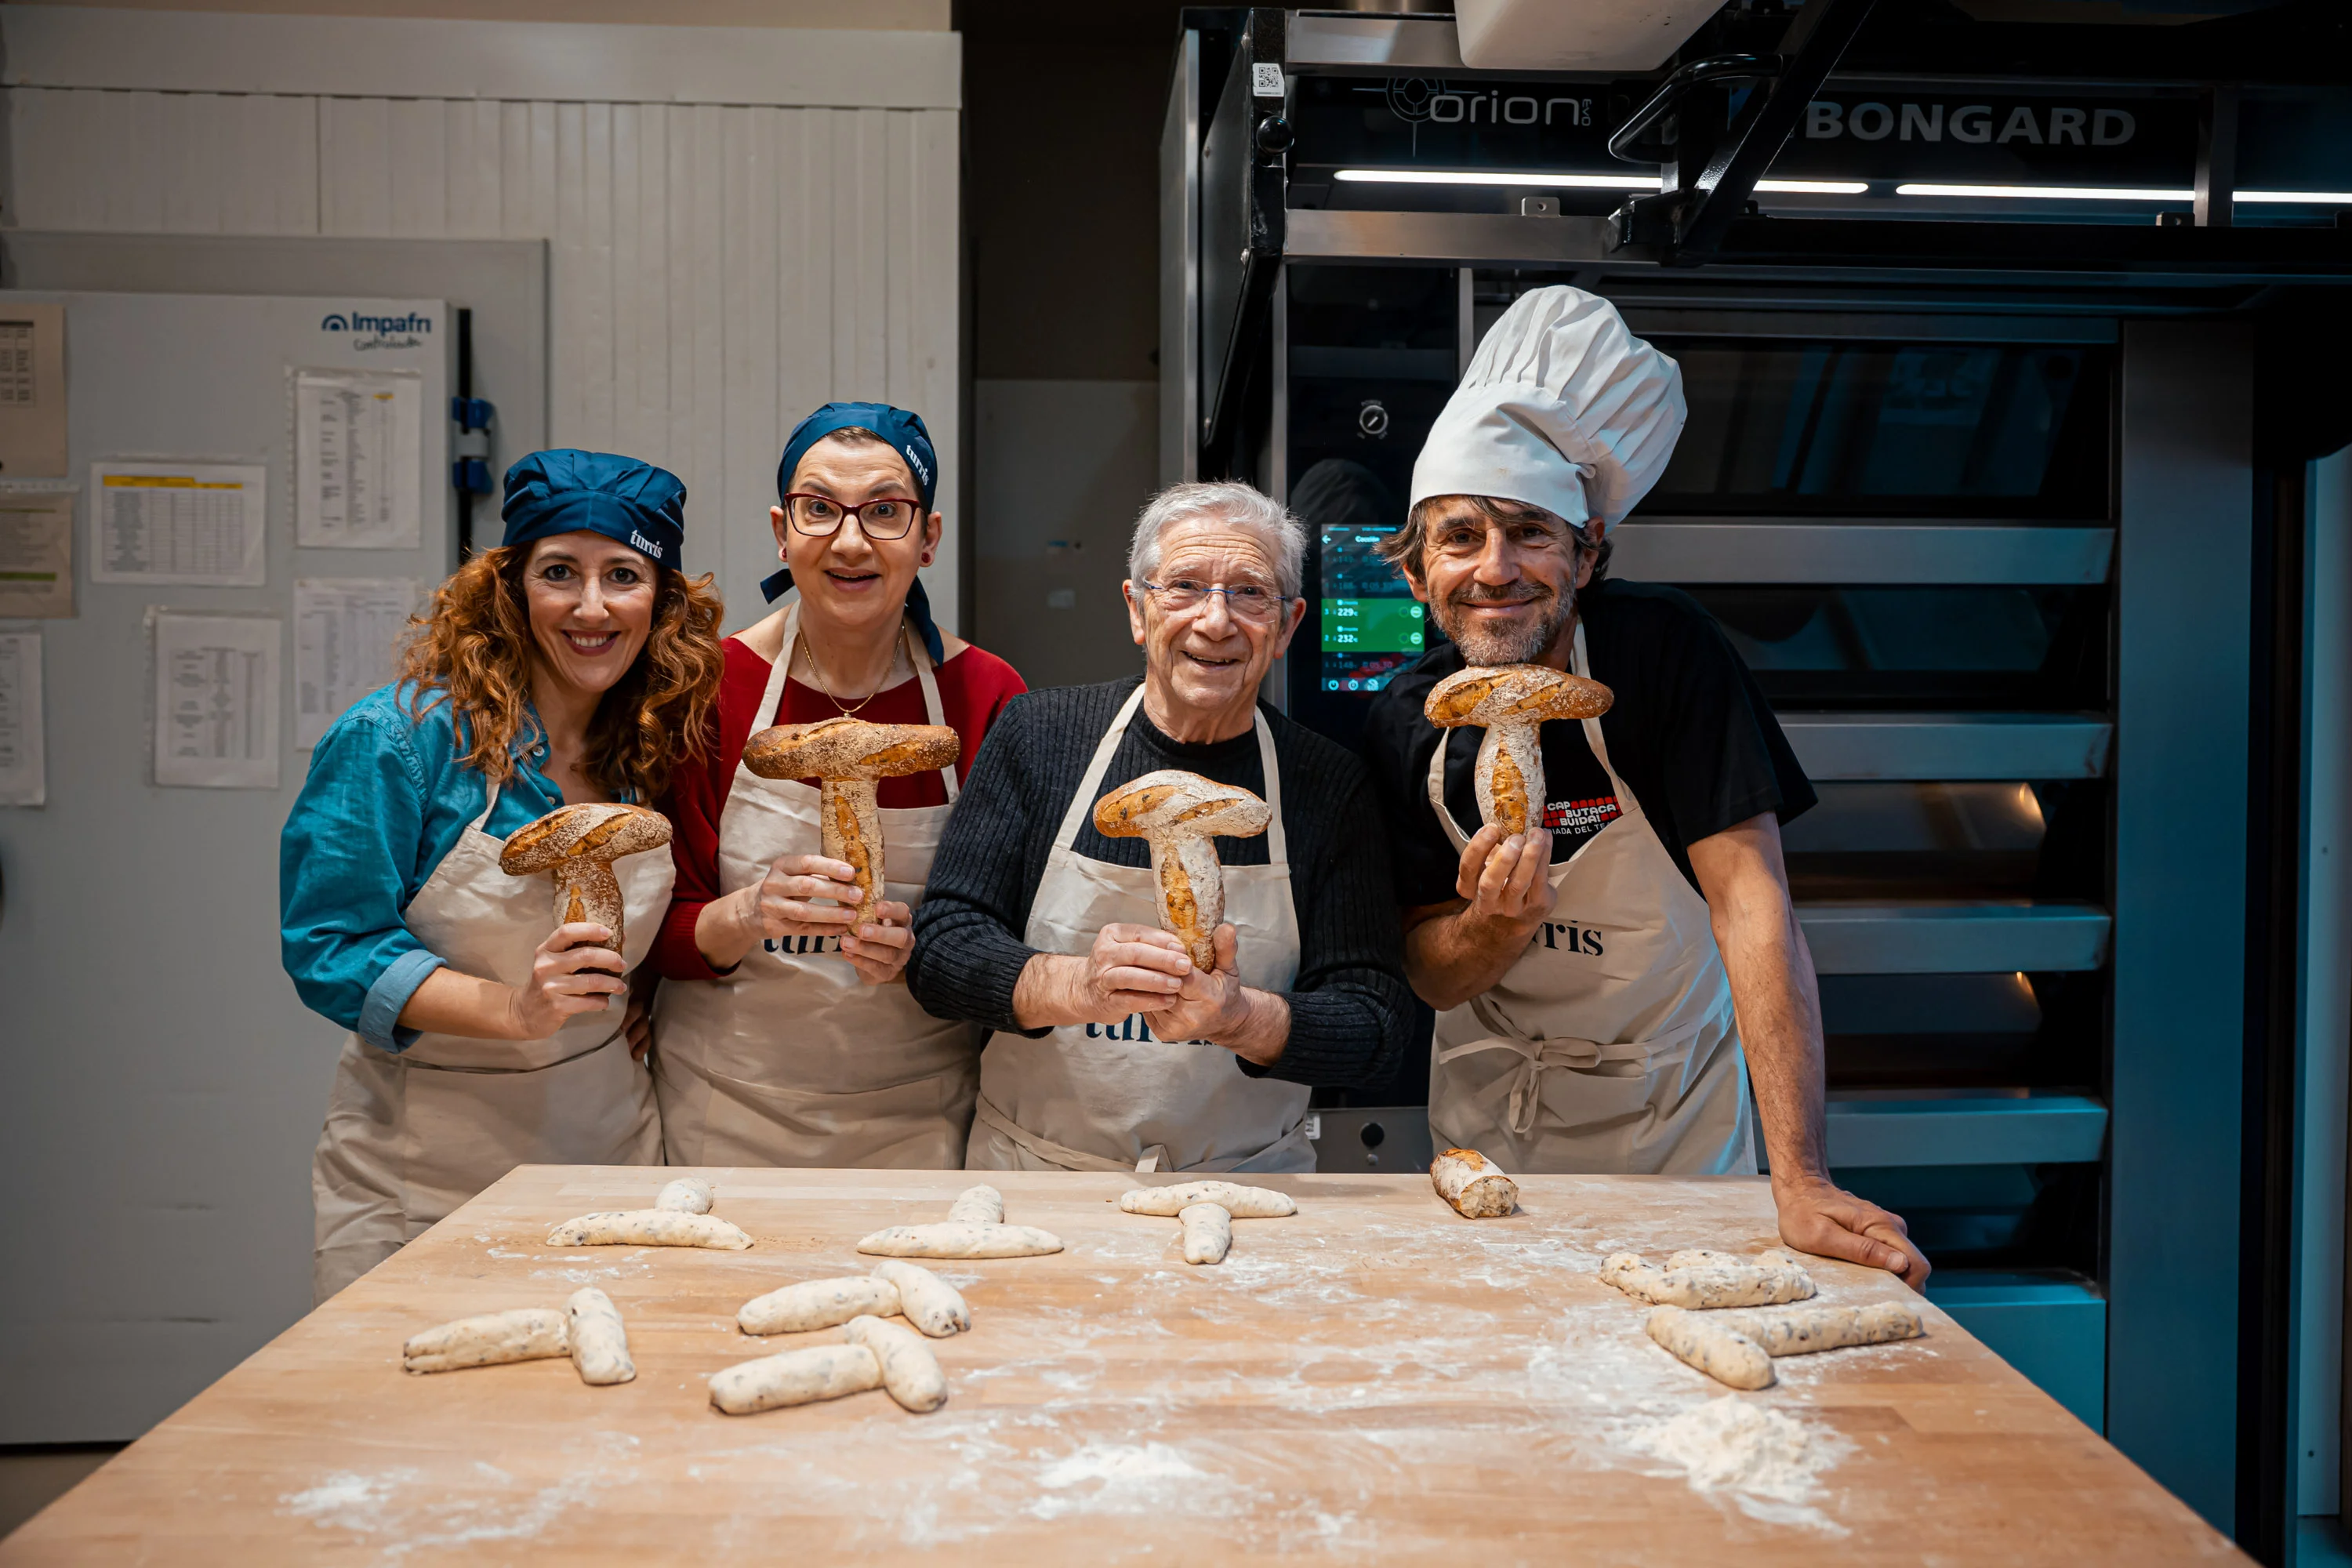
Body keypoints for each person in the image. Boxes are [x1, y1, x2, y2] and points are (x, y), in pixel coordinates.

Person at [1360, 286, 1929, 1283]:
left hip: (1673, 1117)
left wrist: (1800, 1176)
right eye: (1458, 536)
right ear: (1415, 573)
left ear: (1589, 556)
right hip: (1487, 1119)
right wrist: (1491, 928)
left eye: (1532, 532)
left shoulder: (1665, 658)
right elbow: (1428, 975)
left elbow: (1754, 906)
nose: (1495, 569)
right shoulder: (1409, 715)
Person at [283, 451, 724, 1301]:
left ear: (659, 603)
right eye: (559, 571)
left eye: (622, 574)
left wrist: (643, 997)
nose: (590, 606)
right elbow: (328, 945)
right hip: (423, 1170)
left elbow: (668, 913)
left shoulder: (650, 747)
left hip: (608, 1150)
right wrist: (517, 1010)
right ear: (510, 586)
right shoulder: (402, 741)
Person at [909, 481, 1414, 1173]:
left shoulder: (1327, 783)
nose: (1216, 621)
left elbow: (1378, 1025)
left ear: (1289, 625)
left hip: (1247, 1186)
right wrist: (1078, 986)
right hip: (1038, 1178)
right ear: (1138, 610)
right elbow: (941, 952)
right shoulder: (1040, 737)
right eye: (1184, 587)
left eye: (1249, 592)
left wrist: (1239, 1018)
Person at [651, 403, 1025, 1167]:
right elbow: (655, 924)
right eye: (818, 509)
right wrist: (751, 910)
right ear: (781, 531)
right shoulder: (709, 687)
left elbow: (1018, 929)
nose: (850, 540)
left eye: (886, 511)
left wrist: (926, 951)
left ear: (929, 538)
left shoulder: (986, 694)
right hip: (728, 1109)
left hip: (923, 1116)